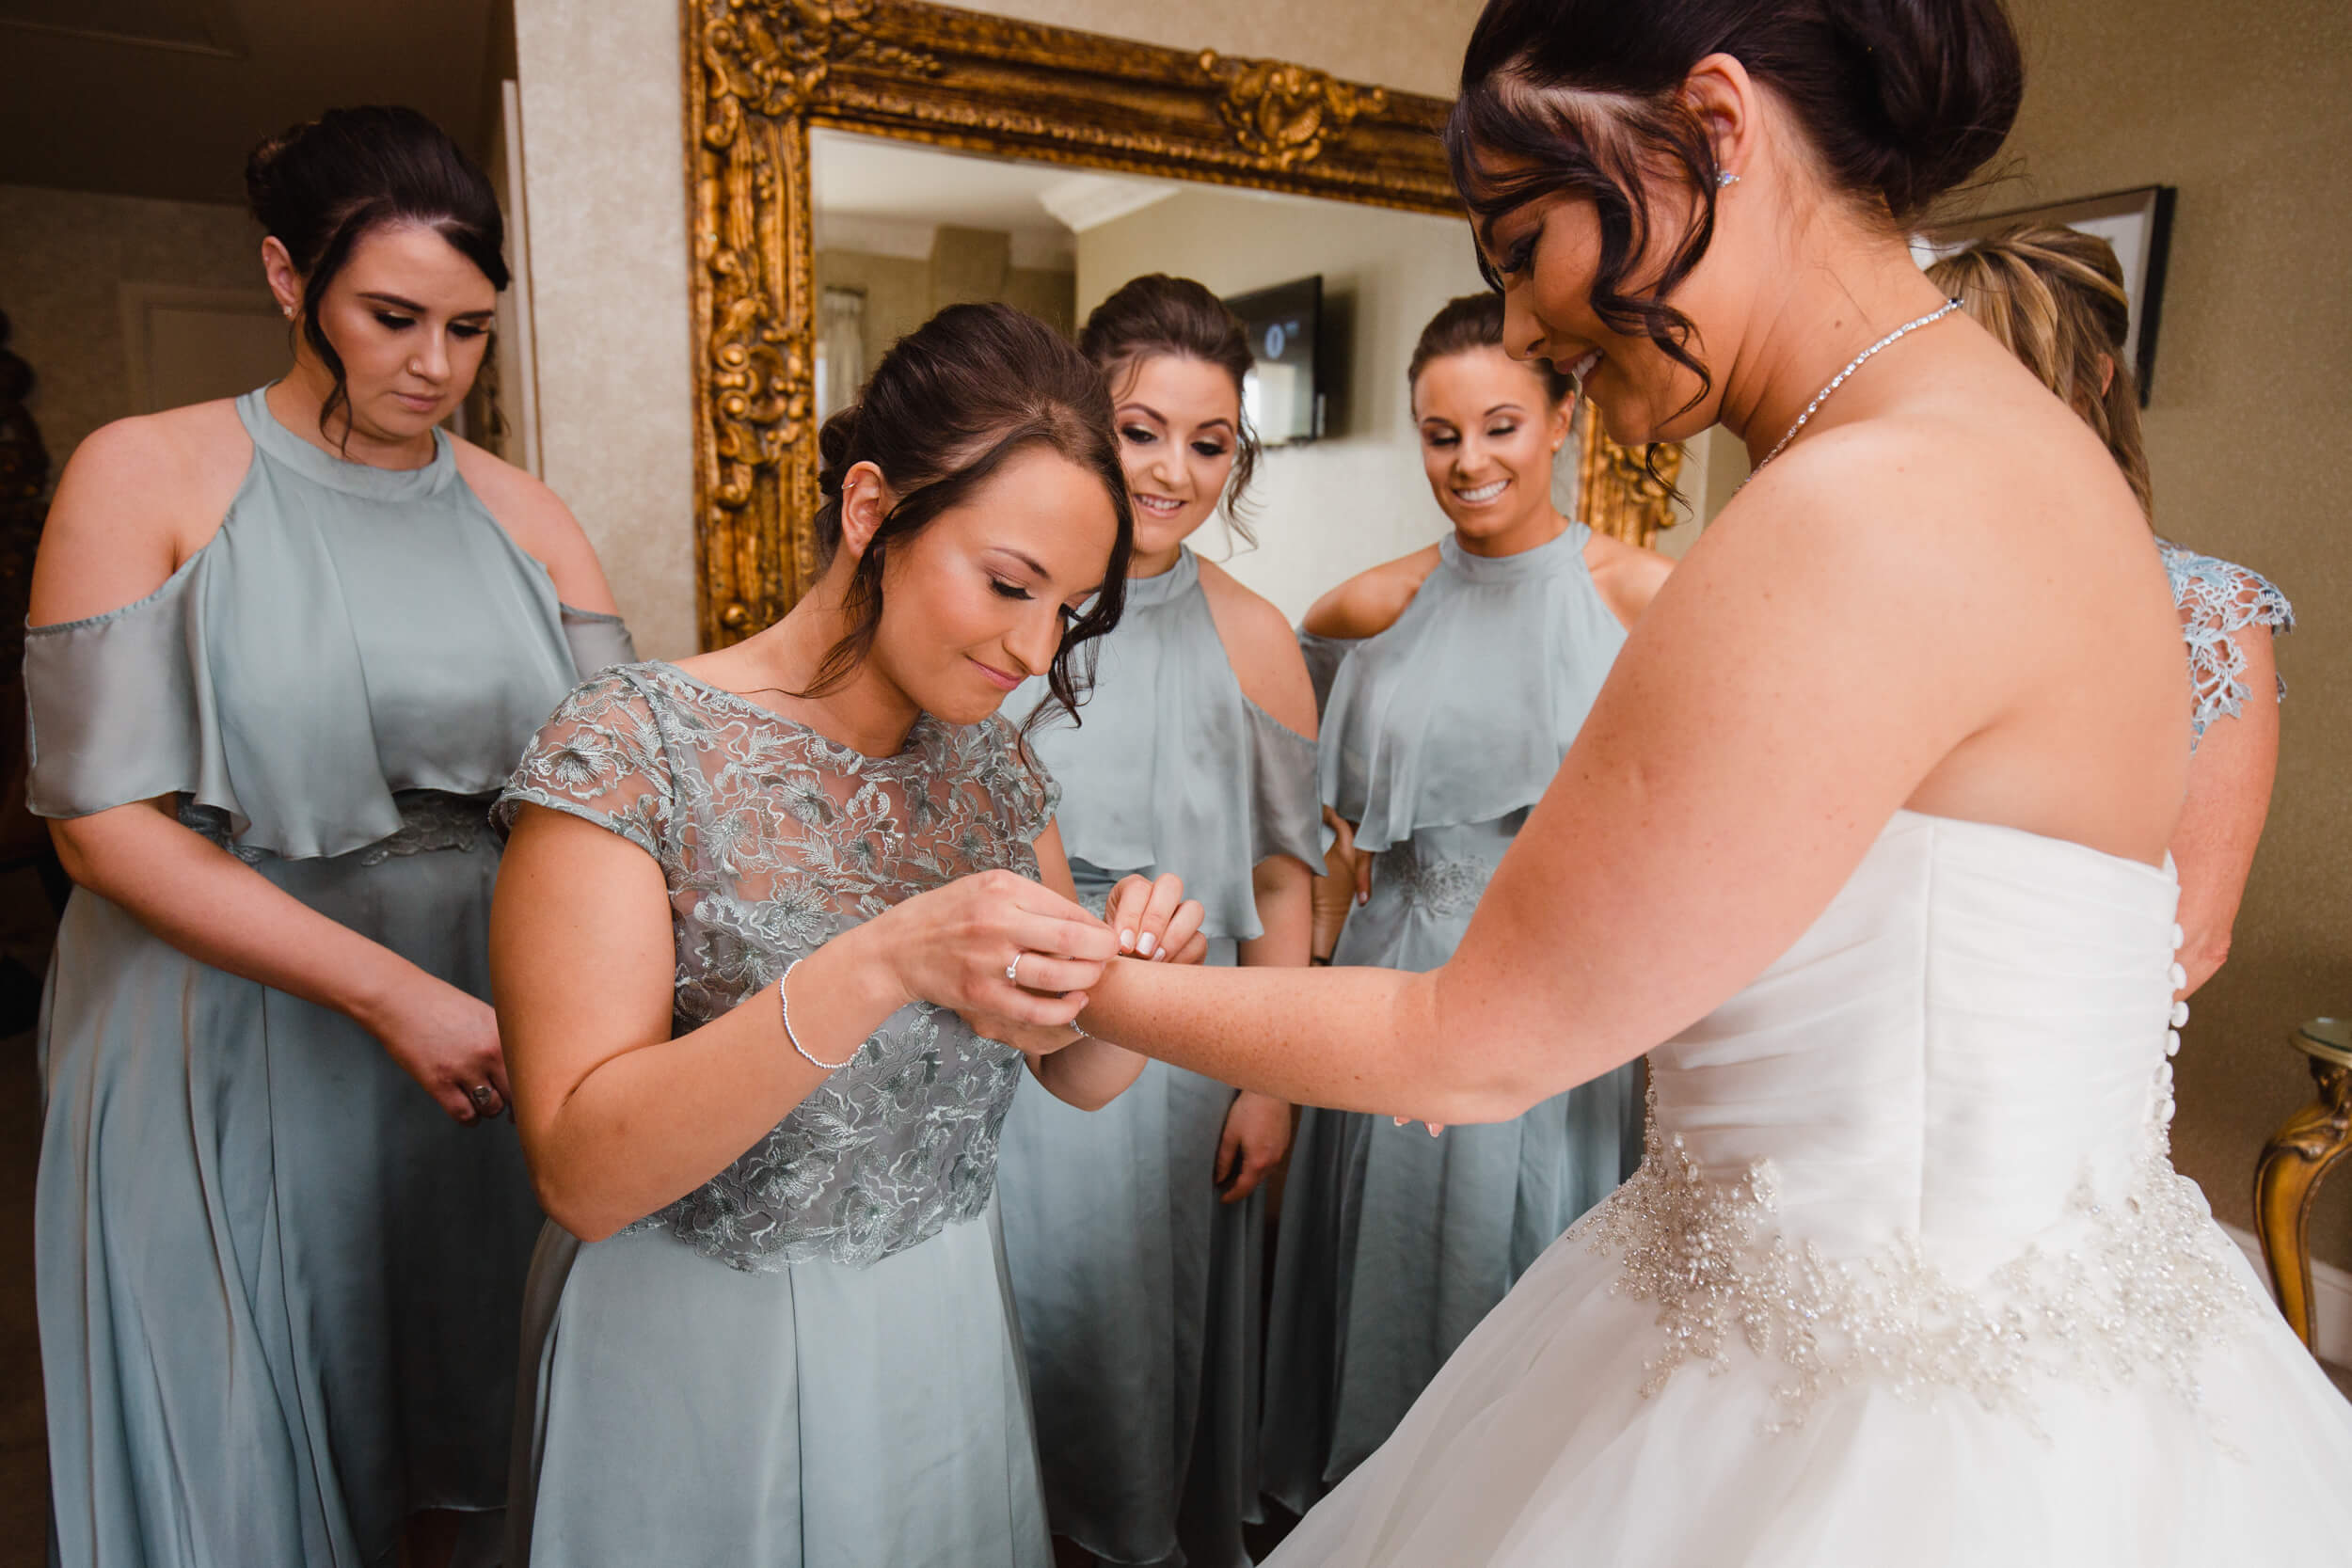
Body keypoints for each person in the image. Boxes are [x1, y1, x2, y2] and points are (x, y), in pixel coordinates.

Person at [1076, 1, 2352, 1561]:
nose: (1526, 322)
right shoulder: (2029, 461)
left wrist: (1093, 988)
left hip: (1876, 1443)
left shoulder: (1861, 508)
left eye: (1519, 235)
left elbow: (1473, 1045)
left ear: (1712, 131)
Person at [490, 301, 1202, 1567]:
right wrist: (881, 960)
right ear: (872, 510)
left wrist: (1127, 979)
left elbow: (1074, 1071)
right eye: (1008, 584)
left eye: (1071, 611)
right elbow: (580, 1172)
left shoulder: (993, 773)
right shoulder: (630, 750)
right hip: (703, 1350)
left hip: (939, 1326)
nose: (1035, 651)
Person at [25, 106, 633, 1568]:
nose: (435, 365)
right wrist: (388, 992)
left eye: (471, 328)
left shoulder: (528, 517)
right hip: (222, 1012)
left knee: (464, 1408)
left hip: (486, 1023)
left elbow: (617, 795)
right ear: (289, 277)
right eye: (392, 316)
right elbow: (102, 828)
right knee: (250, 1421)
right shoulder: (141, 472)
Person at [1258, 291, 1667, 1513]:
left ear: (1562, 418)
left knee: (1531, 1289)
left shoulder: (1648, 599)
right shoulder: (1358, 611)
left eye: (1499, 424)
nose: (1471, 460)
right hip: (1396, 973)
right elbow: (1308, 829)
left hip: (1568, 1005)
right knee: (1382, 1276)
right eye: (1442, 435)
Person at [993, 274, 1323, 1568]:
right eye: (1141, 429)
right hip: (994, 1027)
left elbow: (1289, 879)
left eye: (1209, 441)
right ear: (1082, 411)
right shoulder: (1012, 602)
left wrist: (1271, 1082)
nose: (1173, 470)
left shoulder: (1255, 638)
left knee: (1141, 1347)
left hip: (1180, 1055)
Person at [1930, 227, 2291, 995]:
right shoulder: (1876, 582)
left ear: (2094, 381)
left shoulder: (2210, 614)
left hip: (2043, 1050)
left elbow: (2190, 939)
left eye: (2004, 377)